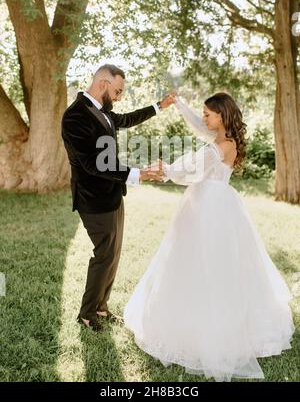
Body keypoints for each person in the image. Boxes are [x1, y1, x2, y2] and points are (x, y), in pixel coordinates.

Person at [124, 92, 295, 382]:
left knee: (201, 264)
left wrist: (165, 170)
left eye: (208, 114)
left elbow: (190, 174)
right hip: (218, 204)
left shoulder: (216, 149)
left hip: (207, 208)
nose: (204, 118)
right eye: (203, 113)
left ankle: (204, 328)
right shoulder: (226, 138)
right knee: (212, 264)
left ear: (222, 116)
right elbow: (198, 128)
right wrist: (180, 105)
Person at [61, 64, 175, 332]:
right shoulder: (75, 116)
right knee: (103, 254)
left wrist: (161, 105)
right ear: (103, 84)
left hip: (112, 195)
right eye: (118, 91)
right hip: (93, 198)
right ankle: (87, 313)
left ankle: (101, 306)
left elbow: (126, 119)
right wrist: (138, 174)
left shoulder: (106, 113)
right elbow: (93, 164)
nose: (120, 97)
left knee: (113, 254)